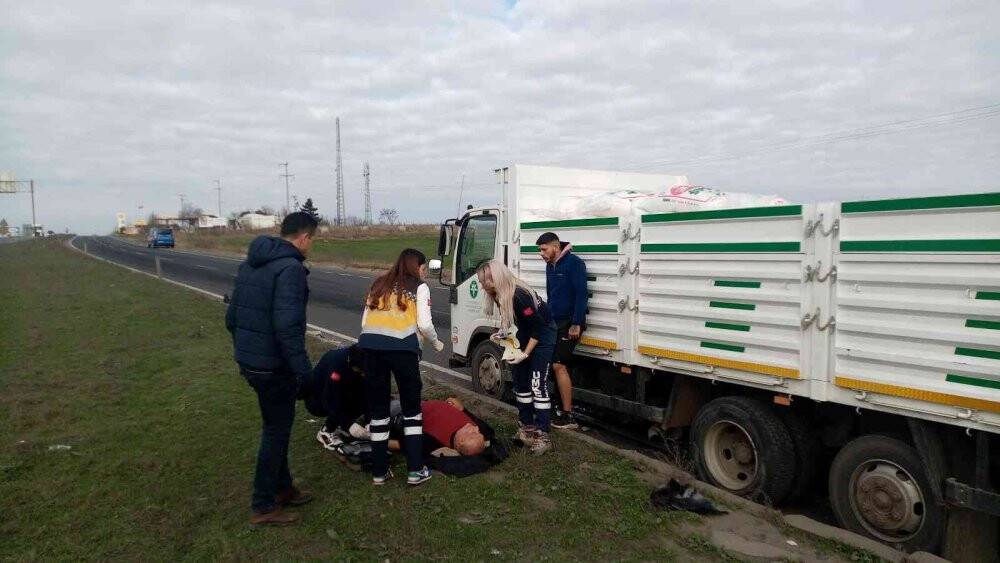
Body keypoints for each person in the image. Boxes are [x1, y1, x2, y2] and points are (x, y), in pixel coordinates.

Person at [225, 212, 318, 526]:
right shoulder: (290, 269)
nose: (311, 246)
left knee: (275, 426)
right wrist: (305, 374)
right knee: (276, 432)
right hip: (274, 368)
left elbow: (231, 318)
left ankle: (283, 488)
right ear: (304, 237)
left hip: (251, 362)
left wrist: (247, 352)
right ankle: (263, 504)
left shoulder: (252, 262)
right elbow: (288, 329)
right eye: (312, 240)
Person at [359, 248, 445, 486]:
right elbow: (425, 325)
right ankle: (415, 470)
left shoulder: (378, 283)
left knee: (378, 410)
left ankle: (379, 472)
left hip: (370, 349)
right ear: (416, 267)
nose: (425, 273)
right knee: (411, 409)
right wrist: (437, 343)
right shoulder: (419, 287)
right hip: (402, 351)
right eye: (424, 268)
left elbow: (365, 321)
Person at [477, 259, 557, 455]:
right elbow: (515, 322)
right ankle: (527, 428)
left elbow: (538, 327)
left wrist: (525, 353)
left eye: (483, 281)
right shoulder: (498, 293)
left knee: (537, 384)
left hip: (542, 335)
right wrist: (502, 334)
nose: (482, 285)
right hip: (526, 333)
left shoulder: (519, 295)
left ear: (494, 279)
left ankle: (543, 434)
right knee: (520, 383)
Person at [535, 232, 587, 429]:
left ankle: (568, 415)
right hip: (554, 322)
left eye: (544, 249)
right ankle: (556, 409)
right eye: (540, 250)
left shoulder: (574, 263)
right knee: (550, 364)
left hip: (570, 323)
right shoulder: (550, 266)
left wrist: (577, 323)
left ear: (555, 247)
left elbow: (581, 294)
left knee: (559, 365)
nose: (541, 253)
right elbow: (550, 294)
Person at [387, 397, 509, 477]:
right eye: (478, 433)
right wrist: (462, 409)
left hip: (407, 410)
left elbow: (404, 445)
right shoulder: (482, 430)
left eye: (472, 434)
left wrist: (379, 441)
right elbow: (488, 432)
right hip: (427, 402)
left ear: (460, 441)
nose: (475, 429)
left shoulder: (435, 441)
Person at [304, 345, 369, 451]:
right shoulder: (337, 368)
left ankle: (344, 424)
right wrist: (348, 424)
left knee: (363, 393)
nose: (362, 373)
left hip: (340, 390)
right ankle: (327, 430)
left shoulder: (360, 357)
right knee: (344, 401)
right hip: (317, 399)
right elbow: (330, 400)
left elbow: (365, 391)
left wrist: (369, 420)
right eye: (360, 370)